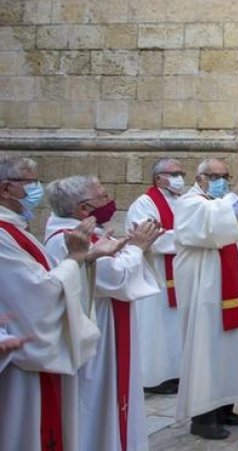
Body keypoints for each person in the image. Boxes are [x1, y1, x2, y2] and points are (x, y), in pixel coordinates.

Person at [44, 175, 163, 451]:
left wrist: (127, 248)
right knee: (97, 400)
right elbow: (116, 279)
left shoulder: (83, 232)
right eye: (103, 196)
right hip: (97, 328)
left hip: (107, 321)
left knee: (110, 399)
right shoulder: (69, 239)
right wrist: (137, 247)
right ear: (82, 208)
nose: (110, 201)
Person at [0, 153, 108, 451]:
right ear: (6, 189)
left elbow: (46, 275)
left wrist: (88, 257)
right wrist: (75, 258)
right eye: (30, 182)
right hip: (21, 362)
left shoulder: (16, 229)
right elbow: (38, 292)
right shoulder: (2, 234)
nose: (37, 189)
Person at [173, 142, 238, 440]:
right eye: (215, 176)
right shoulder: (190, 203)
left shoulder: (228, 201)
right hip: (205, 293)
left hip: (232, 291)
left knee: (231, 350)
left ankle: (224, 407)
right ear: (200, 177)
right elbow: (222, 216)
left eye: (226, 176)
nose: (222, 181)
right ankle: (203, 418)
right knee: (207, 351)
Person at [126, 157, 187, 395]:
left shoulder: (181, 200)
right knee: (155, 326)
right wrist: (188, 237)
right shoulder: (144, 204)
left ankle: (175, 372)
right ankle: (152, 376)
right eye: (174, 173)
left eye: (181, 172)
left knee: (174, 326)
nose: (179, 177)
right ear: (158, 177)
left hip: (178, 270)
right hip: (156, 273)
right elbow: (154, 239)